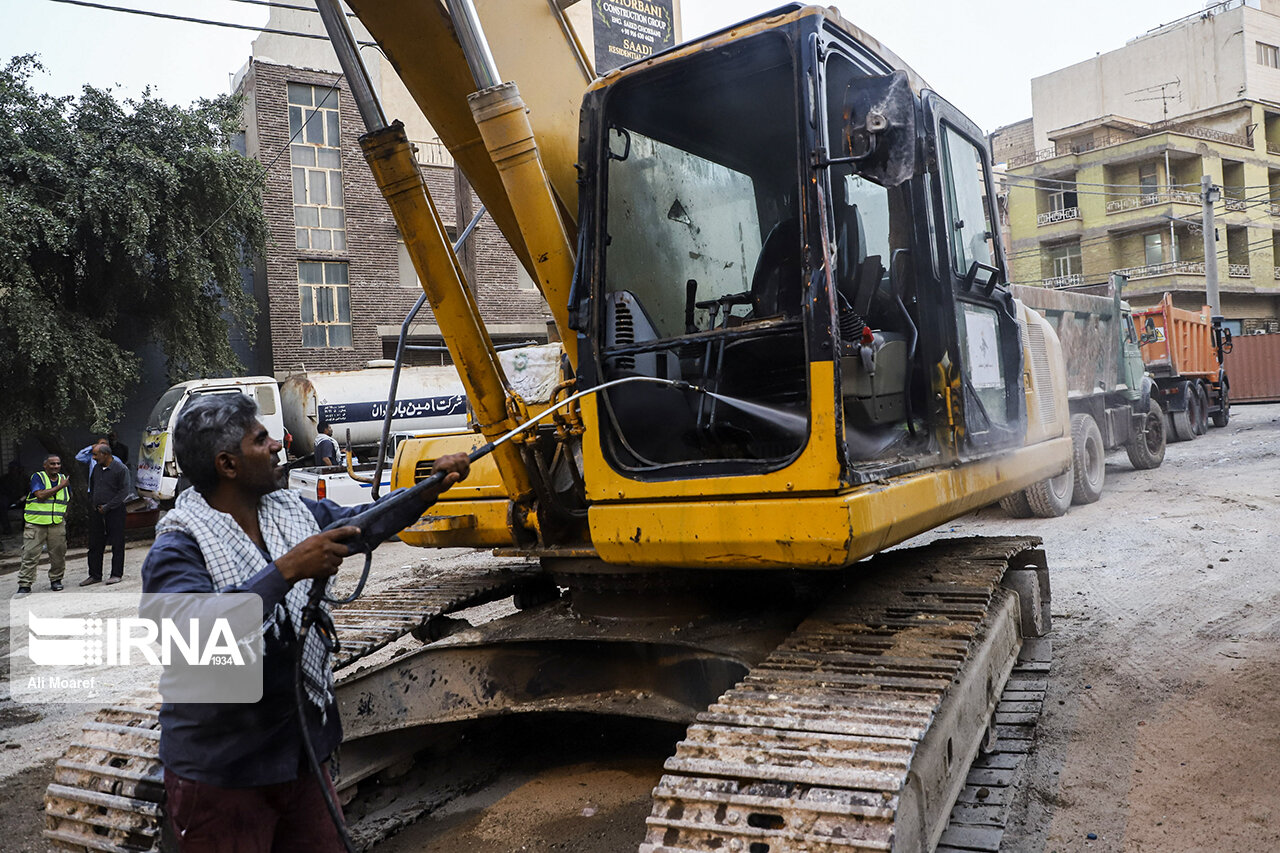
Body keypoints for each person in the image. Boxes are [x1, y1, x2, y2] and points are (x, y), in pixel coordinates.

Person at [141, 393, 468, 852]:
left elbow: (362, 525)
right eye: (261, 439)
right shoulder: (179, 548)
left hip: (300, 759)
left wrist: (429, 487)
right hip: (226, 773)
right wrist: (287, 570)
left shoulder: (289, 512)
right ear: (227, 465)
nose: (278, 444)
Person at [16, 455, 70, 596]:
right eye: (52, 464)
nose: (56, 466)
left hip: (56, 524)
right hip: (35, 524)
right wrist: (60, 486)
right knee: (30, 554)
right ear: (45, 465)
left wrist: (64, 516)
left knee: (58, 555)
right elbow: (40, 495)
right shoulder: (38, 477)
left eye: (58, 463)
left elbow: (68, 499)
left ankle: (56, 580)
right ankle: (25, 584)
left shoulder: (64, 479)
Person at [81, 443, 129, 586]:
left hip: (115, 511)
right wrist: (93, 503)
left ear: (106, 454)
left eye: (96, 455)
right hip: (97, 510)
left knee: (117, 543)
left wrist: (108, 506)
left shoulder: (120, 469)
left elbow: (123, 492)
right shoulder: (96, 468)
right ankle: (95, 575)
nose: (94, 458)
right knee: (95, 543)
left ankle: (116, 574)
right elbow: (93, 487)